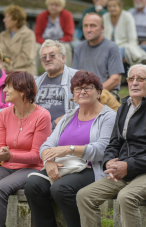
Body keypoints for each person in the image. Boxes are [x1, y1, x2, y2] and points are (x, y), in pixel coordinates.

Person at [77, 64, 146, 227]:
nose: (134, 83)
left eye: (140, 79)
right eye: (131, 79)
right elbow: (113, 143)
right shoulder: (123, 108)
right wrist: (109, 162)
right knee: (84, 196)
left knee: (126, 197)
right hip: (123, 171)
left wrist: (128, 165)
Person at [25, 71, 116, 227]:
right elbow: (47, 144)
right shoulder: (69, 115)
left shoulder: (108, 116)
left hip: (90, 168)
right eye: (77, 88)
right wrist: (49, 162)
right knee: (33, 185)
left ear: (99, 92)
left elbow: (103, 149)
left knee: (61, 188)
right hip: (64, 166)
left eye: (88, 88)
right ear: (73, 93)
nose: (82, 92)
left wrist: (69, 149)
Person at [0, 71, 52, 227]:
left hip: (32, 168)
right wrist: (0, 153)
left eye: (9, 87)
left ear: (23, 91)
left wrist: (10, 156)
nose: (5, 90)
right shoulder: (5, 114)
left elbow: (37, 156)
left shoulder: (42, 115)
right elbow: (1, 145)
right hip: (8, 166)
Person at [72, 13, 125, 95]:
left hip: (106, 93)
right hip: (84, 94)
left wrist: (94, 93)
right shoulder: (79, 47)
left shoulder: (112, 47)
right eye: (85, 26)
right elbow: (75, 76)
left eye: (93, 26)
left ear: (102, 28)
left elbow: (115, 79)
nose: (88, 30)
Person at [35, 40, 78, 130]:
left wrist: (64, 120)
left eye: (52, 55)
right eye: (43, 57)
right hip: (39, 131)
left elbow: (85, 106)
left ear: (62, 58)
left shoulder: (76, 77)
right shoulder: (36, 82)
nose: (47, 59)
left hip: (66, 130)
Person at [103, 0, 146, 65]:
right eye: (110, 6)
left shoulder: (127, 16)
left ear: (120, 7)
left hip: (124, 48)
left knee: (115, 54)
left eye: (114, 6)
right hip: (107, 48)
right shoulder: (105, 17)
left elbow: (132, 39)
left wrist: (128, 53)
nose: (112, 8)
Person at [35, 0, 74, 67]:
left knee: (67, 47)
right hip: (44, 42)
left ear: (62, 6)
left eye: (56, 5)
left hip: (61, 42)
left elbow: (69, 35)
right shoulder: (41, 16)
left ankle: (67, 73)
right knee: (36, 47)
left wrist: (56, 45)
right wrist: (46, 44)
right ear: (47, 5)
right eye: (51, 5)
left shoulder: (67, 15)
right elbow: (37, 35)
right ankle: (33, 75)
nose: (53, 7)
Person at [0, 5, 37, 76]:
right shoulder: (1, 36)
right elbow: (0, 55)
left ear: (16, 20)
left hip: (24, 72)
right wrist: (3, 66)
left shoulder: (28, 34)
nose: (4, 20)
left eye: (7, 17)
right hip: (4, 71)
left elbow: (26, 57)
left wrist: (7, 67)